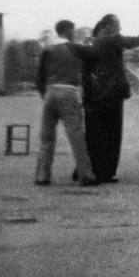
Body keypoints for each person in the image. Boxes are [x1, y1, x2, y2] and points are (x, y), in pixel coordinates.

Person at [82, 11, 139, 183]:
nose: (120, 28)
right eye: (118, 25)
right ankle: (107, 173)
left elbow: (85, 74)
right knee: (112, 135)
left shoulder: (91, 43)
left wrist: (86, 99)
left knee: (95, 134)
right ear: (108, 26)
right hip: (113, 94)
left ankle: (91, 170)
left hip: (94, 96)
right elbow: (137, 40)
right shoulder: (114, 38)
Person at [34, 20, 97, 187]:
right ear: (68, 31)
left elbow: (39, 75)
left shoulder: (47, 49)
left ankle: (42, 176)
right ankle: (86, 176)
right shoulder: (75, 48)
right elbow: (94, 54)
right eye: (73, 30)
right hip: (68, 91)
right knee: (76, 136)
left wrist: (44, 93)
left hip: (50, 92)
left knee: (47, 137)